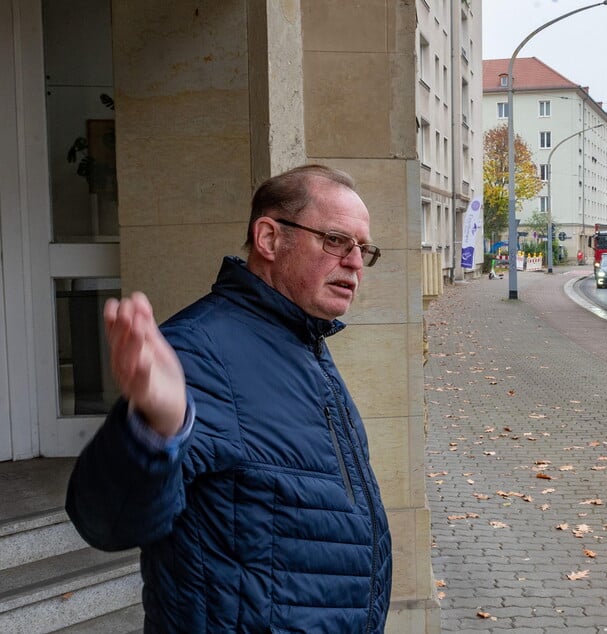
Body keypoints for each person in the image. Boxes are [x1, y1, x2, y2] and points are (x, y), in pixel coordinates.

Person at [66, 164, 392, 633]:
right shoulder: (199, 351)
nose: (356, 263)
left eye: (364, 249)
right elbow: (106, 521)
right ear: (269, 238)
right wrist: (154, 429)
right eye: (336, 241)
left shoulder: (303, 342)